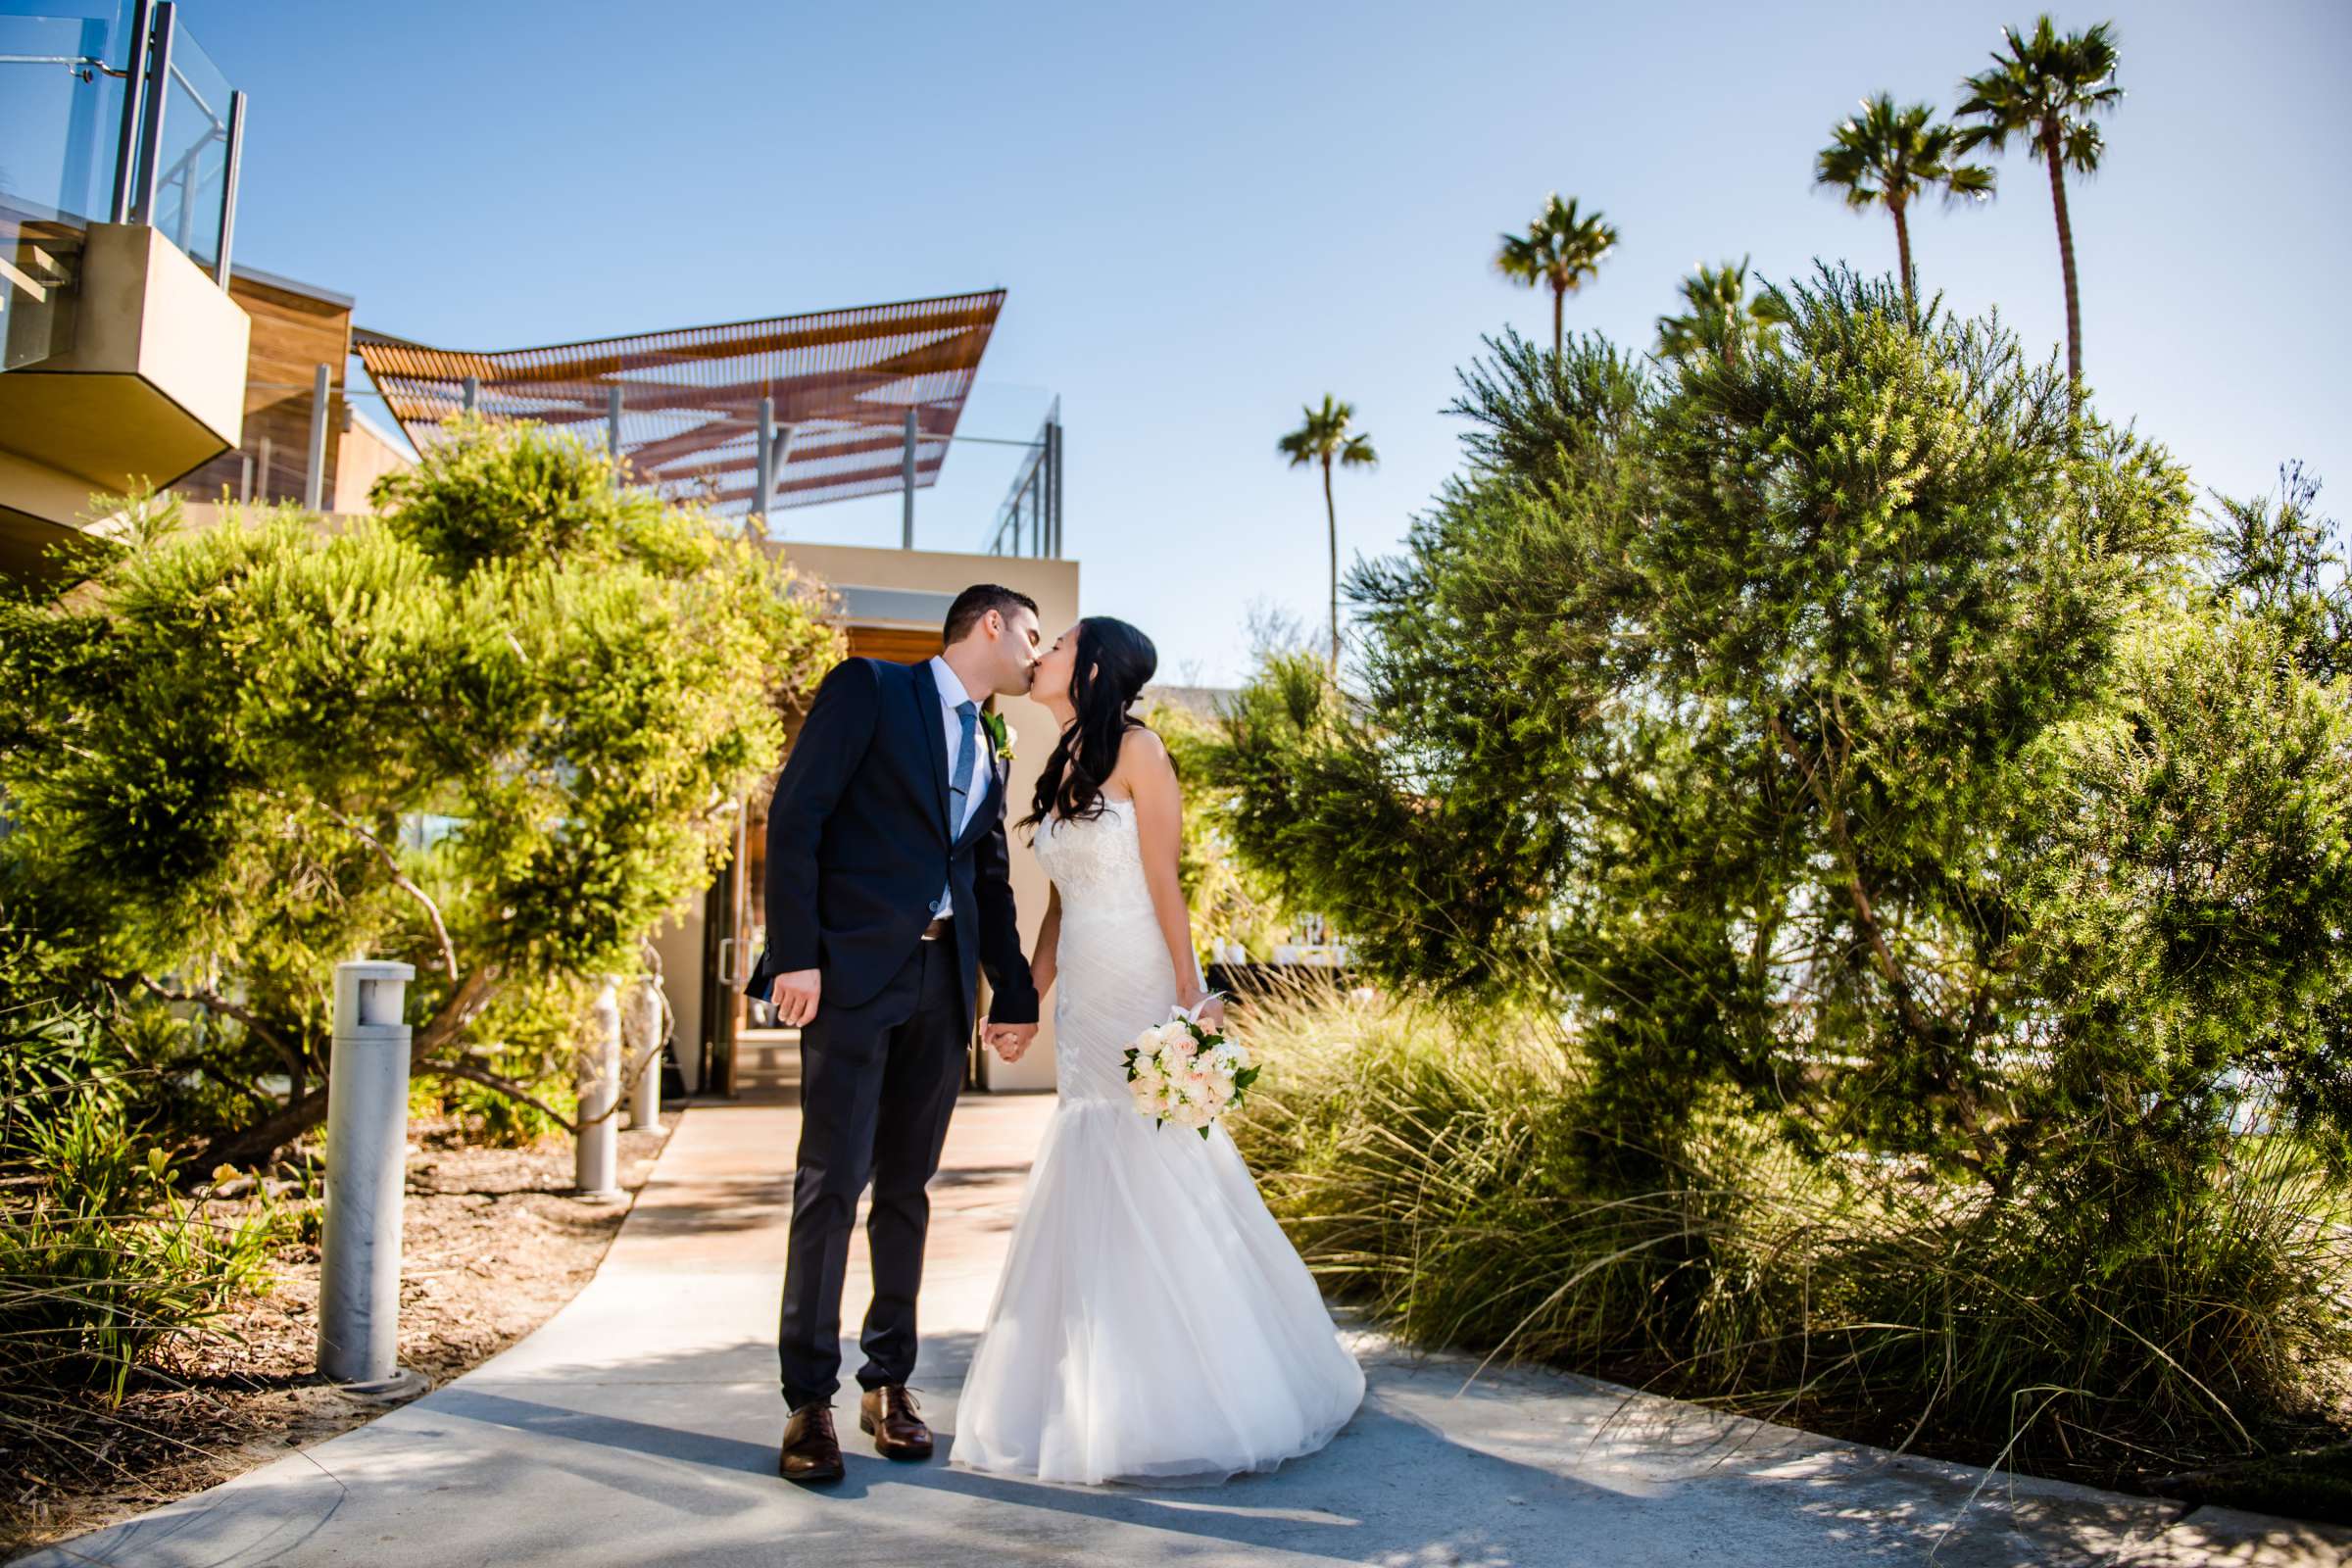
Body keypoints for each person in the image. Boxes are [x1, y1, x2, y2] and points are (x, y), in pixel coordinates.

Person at [952, 615, 1365, 1485]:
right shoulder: (1058, 758)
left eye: (1058, 644)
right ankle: (1098, 1391)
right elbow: (1062, 904)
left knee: (1158, 1154)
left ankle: (1213, 1383)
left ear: (1095, 666)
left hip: (1141, 977)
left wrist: (1190, 990)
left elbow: (1163, 880)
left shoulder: (1140, 750)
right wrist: (1027, 999)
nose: (1043, 654)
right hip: (1086, 996)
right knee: (1090, 1147)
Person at [743, 583, 1043, 1486]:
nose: (1039, 650)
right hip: (850, 980)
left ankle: (890, 1384)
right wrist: (796, 954)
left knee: (907, 1190)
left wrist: (1017, 992)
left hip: (942, 989)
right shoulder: (870, 687)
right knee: (830, 1186)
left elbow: (988, 879)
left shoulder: (992, 746)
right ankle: (808, 1403)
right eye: (1033, 634)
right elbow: (797, 818)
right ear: (990, 624)